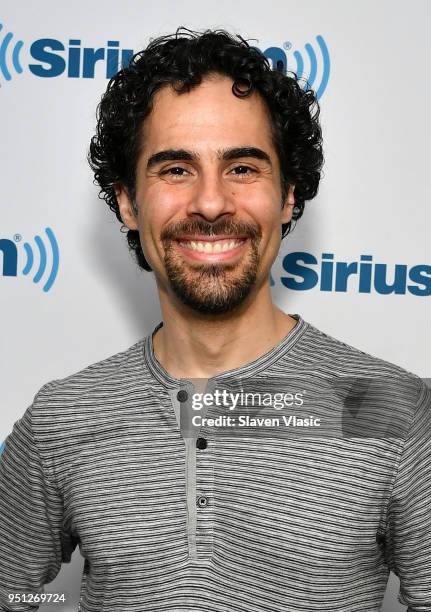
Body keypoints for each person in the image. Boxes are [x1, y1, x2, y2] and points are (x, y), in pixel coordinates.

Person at [0, 27, 430, 612]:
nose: (209, 203)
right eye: (175, 169)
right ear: (128, 201)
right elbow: (14, 592)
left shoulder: (390, 409)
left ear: (286, 196)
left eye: (243, 168)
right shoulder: (66, 415)